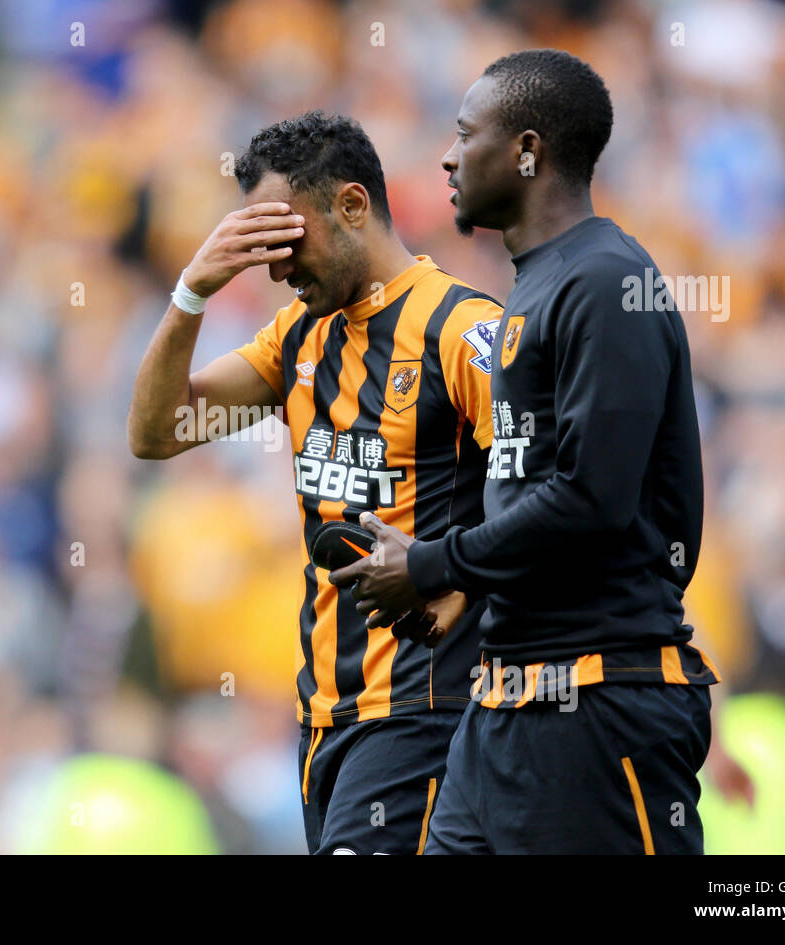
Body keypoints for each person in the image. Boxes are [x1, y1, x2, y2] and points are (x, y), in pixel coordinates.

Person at [331, 50, 720, 854]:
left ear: (529, 151)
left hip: (598, 704)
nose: (447, 153)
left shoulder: (608, 282)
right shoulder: (533, 288)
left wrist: (437, 563)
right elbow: (530, 490)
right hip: (503, 707)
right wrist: (465, 584)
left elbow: (593, 496)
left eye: (467, 132)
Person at [129, 111, 503, 854]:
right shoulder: (299, 334)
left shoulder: (464, 331)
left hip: (424, 705)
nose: (274, 267)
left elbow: (553, 493)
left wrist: (457, 583)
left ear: (353, 205)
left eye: (286, 239)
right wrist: (191, 295)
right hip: (325, 716)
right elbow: (158, 431)